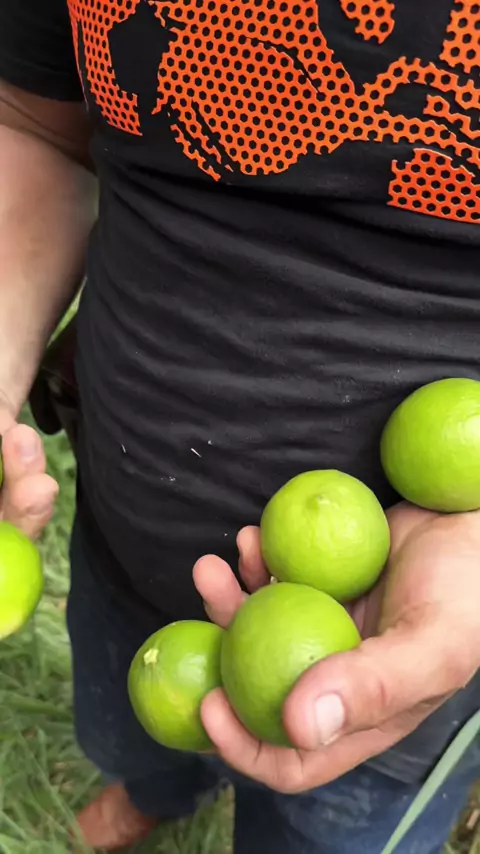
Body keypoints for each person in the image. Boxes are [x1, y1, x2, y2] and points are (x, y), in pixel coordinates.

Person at [0, 1, 479, 851]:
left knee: (328, 827)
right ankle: (156, 793)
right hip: (121, 532)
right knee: (134, 730)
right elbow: (33, 123)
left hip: (398, 622)